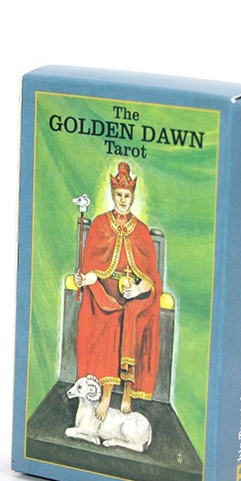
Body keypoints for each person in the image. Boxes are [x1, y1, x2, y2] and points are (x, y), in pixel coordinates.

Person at [75, 162, 162, 420]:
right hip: (105, 292)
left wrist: (138, 289)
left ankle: (128, 392)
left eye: (127, 195)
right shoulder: (101, 224)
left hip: (134, 296)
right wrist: (86, 277)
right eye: (119, 195)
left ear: (132, 197)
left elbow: (151, 278)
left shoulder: (142, 231)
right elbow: (92, 266)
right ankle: (106, 394)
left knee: (130, 317)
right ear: (113, 195)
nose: (123, 200)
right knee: (109, 318)